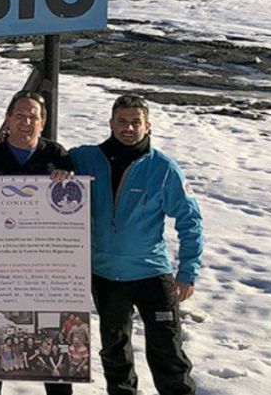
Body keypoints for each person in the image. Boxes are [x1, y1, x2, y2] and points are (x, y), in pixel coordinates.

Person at [70, 94, 203, 395]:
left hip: (151, 275)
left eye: (135, 122)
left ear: (148, 126)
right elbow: (48, 163)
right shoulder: (86, 158)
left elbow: (190, 220)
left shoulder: (163, 169)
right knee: (115, 354)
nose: (128, 128)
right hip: (105, 275)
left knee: (167, 353)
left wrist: (187, 273)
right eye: (122, 121)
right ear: (111, 123)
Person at [0, 90, 75, 395]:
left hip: (44, 265)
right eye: (20, 115)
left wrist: (70, 175)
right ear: (7, 118)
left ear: (43, 122)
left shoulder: (56, 154)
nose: (26, 121)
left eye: (34, 116)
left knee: (51, 341)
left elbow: (73, 205)